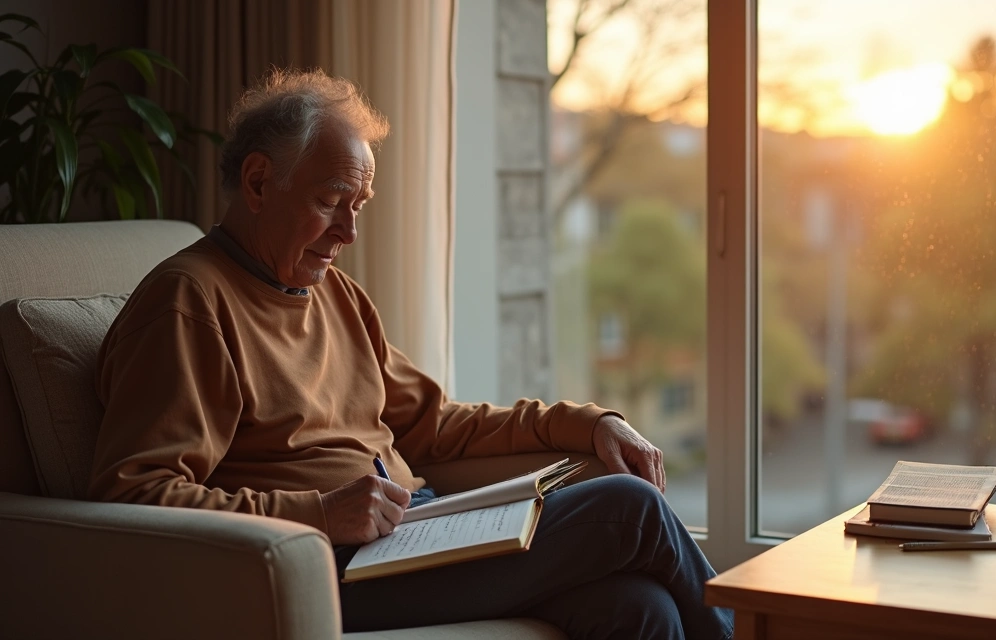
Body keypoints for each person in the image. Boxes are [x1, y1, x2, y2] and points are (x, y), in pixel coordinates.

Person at [88, 68, 733, 640]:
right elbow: (133, 495)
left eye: (358, 205)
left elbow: (436, 424)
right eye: (330, 202)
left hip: (413, 534)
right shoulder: (189, 303)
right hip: (322, 565)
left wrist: (588, 422)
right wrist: (319, 514)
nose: (349, 231)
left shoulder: (333, 294)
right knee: (628, 507)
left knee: (639, 607)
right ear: (258, 182)